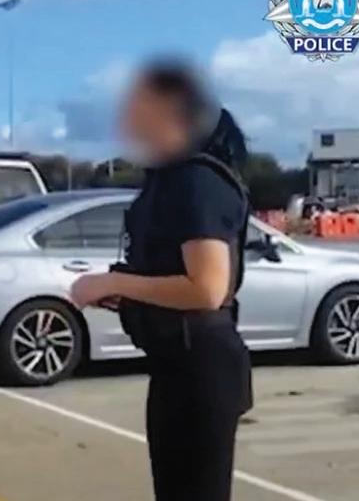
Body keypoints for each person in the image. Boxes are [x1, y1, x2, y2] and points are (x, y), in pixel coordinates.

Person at [70, 62, 253, 501]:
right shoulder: (171, 180)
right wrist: (127, 289)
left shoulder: (197, 181)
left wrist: (112, 284)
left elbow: (207, 289)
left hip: (200, 366)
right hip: (176, 364)